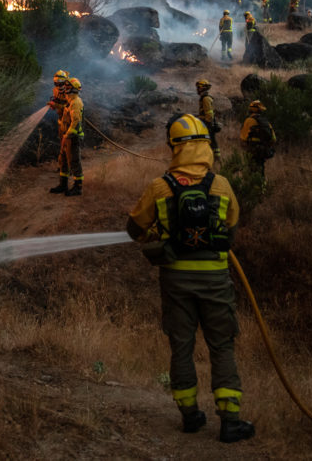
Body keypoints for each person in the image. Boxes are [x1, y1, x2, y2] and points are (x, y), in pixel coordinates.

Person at [126, 113, 255, 443]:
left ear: (175, 148)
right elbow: (231, 228)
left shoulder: (159, 187)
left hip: (176, 282)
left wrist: (156, 232)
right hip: (215, 281)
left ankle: (189, 415)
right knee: (222, 347)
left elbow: (133, 229)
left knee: (181, 347)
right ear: (206, 147)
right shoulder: (221, 185)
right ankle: (230, 421)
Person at [53, 77, 85, 196]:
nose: (65, 89)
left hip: (73, 137)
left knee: (74, 161)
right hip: (66, 136)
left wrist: (67, 135)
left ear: (72, 89)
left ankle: (78, 187)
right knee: (63, 159)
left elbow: (76, 121)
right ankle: (63, 184)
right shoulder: (70, 100)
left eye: (67, 87)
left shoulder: (76, 102)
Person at [47, 70, 70, 193]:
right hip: (61, 122)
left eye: (61, 84)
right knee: (62, 145)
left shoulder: (70, 92)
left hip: (70, 123)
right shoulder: (56, 90)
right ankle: (63, 166)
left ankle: (66, 167)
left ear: (66, 82)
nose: (59, 86)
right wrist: (53, 104)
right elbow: (57, 101)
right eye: (56, 84)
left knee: (67, 148)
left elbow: (69, 108)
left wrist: (57, 106)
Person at [239, 100, 275, 178]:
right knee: (261, 169)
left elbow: (243, 138)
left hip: (252, 149)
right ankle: (262, 187)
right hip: (262, 150)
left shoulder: (249, 121)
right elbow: (273, 139)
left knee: (251, 170)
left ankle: (251, 187)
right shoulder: (266, 122)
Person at [195, 79, 221, 163]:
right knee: (212, 142)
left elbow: (209, 113)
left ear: (202, 88)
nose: (197, 89)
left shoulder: (205, 99)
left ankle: (214, 160)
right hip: (207, 123)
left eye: (198, 87)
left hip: (207, 124)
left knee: (210, 142)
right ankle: (215, 159)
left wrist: (208, 124)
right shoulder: (204, 98)